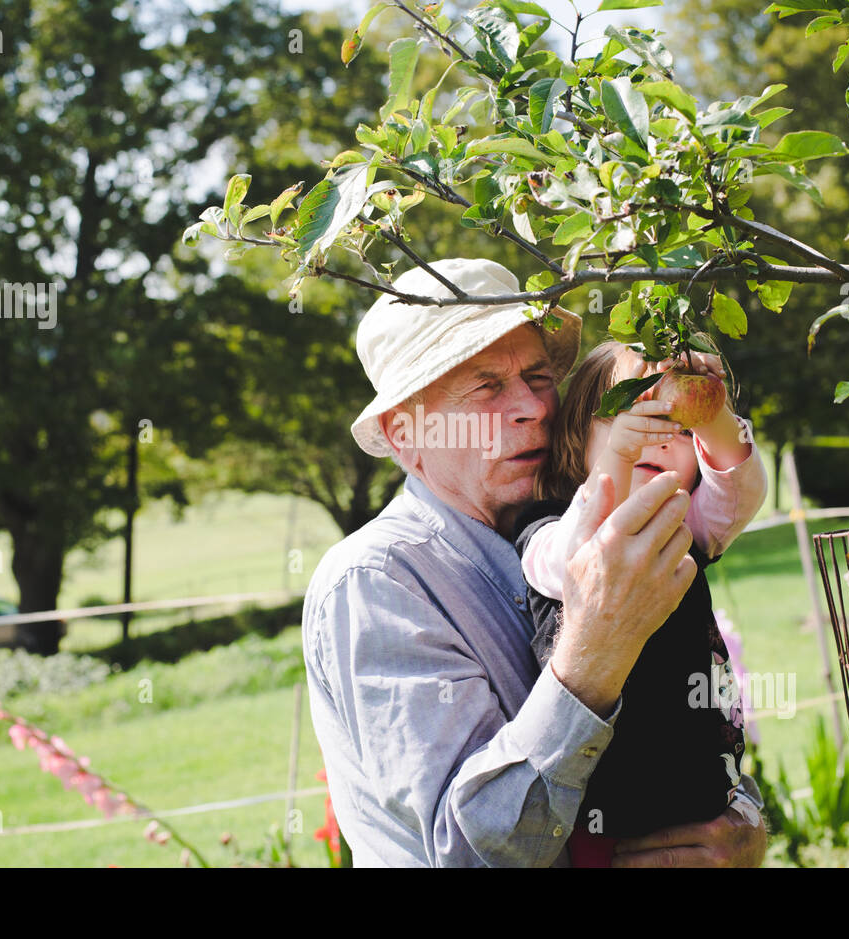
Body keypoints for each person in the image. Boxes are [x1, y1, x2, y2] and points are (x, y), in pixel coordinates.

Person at [301, 258, 767, 867]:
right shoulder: (377, 582)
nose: (534, 408)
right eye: (487, 386)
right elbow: (465, 852)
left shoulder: (615, 529)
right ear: (404, 433)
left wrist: (741, 824)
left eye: (540, 376)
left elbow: (680, 720)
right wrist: (598, 647)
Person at [512, 340, 768, 866]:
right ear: (577, 440)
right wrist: (616, 463)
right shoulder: (545, 531)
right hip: (602, 820)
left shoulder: (683, 529)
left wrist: (714, 413)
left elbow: (741, 488)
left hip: (701, 812)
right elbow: (577, 564)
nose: (655, 440)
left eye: (677, 429)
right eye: (630, 421)